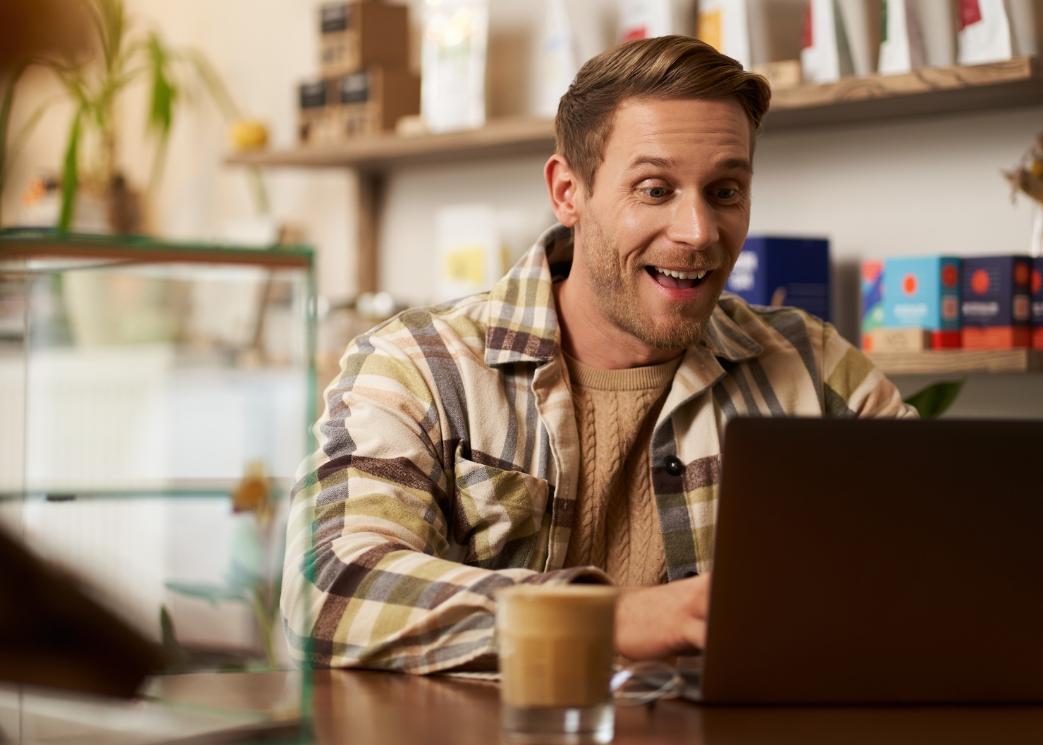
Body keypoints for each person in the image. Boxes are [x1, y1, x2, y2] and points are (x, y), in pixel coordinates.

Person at [279, 36, 917, 674]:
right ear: (567, 191)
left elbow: (947, 561)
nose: (697, 232)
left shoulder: (812, 365)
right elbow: (328, 585)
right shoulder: (418, 366)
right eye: (655, 189)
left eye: (725, 192)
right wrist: (605, 618)